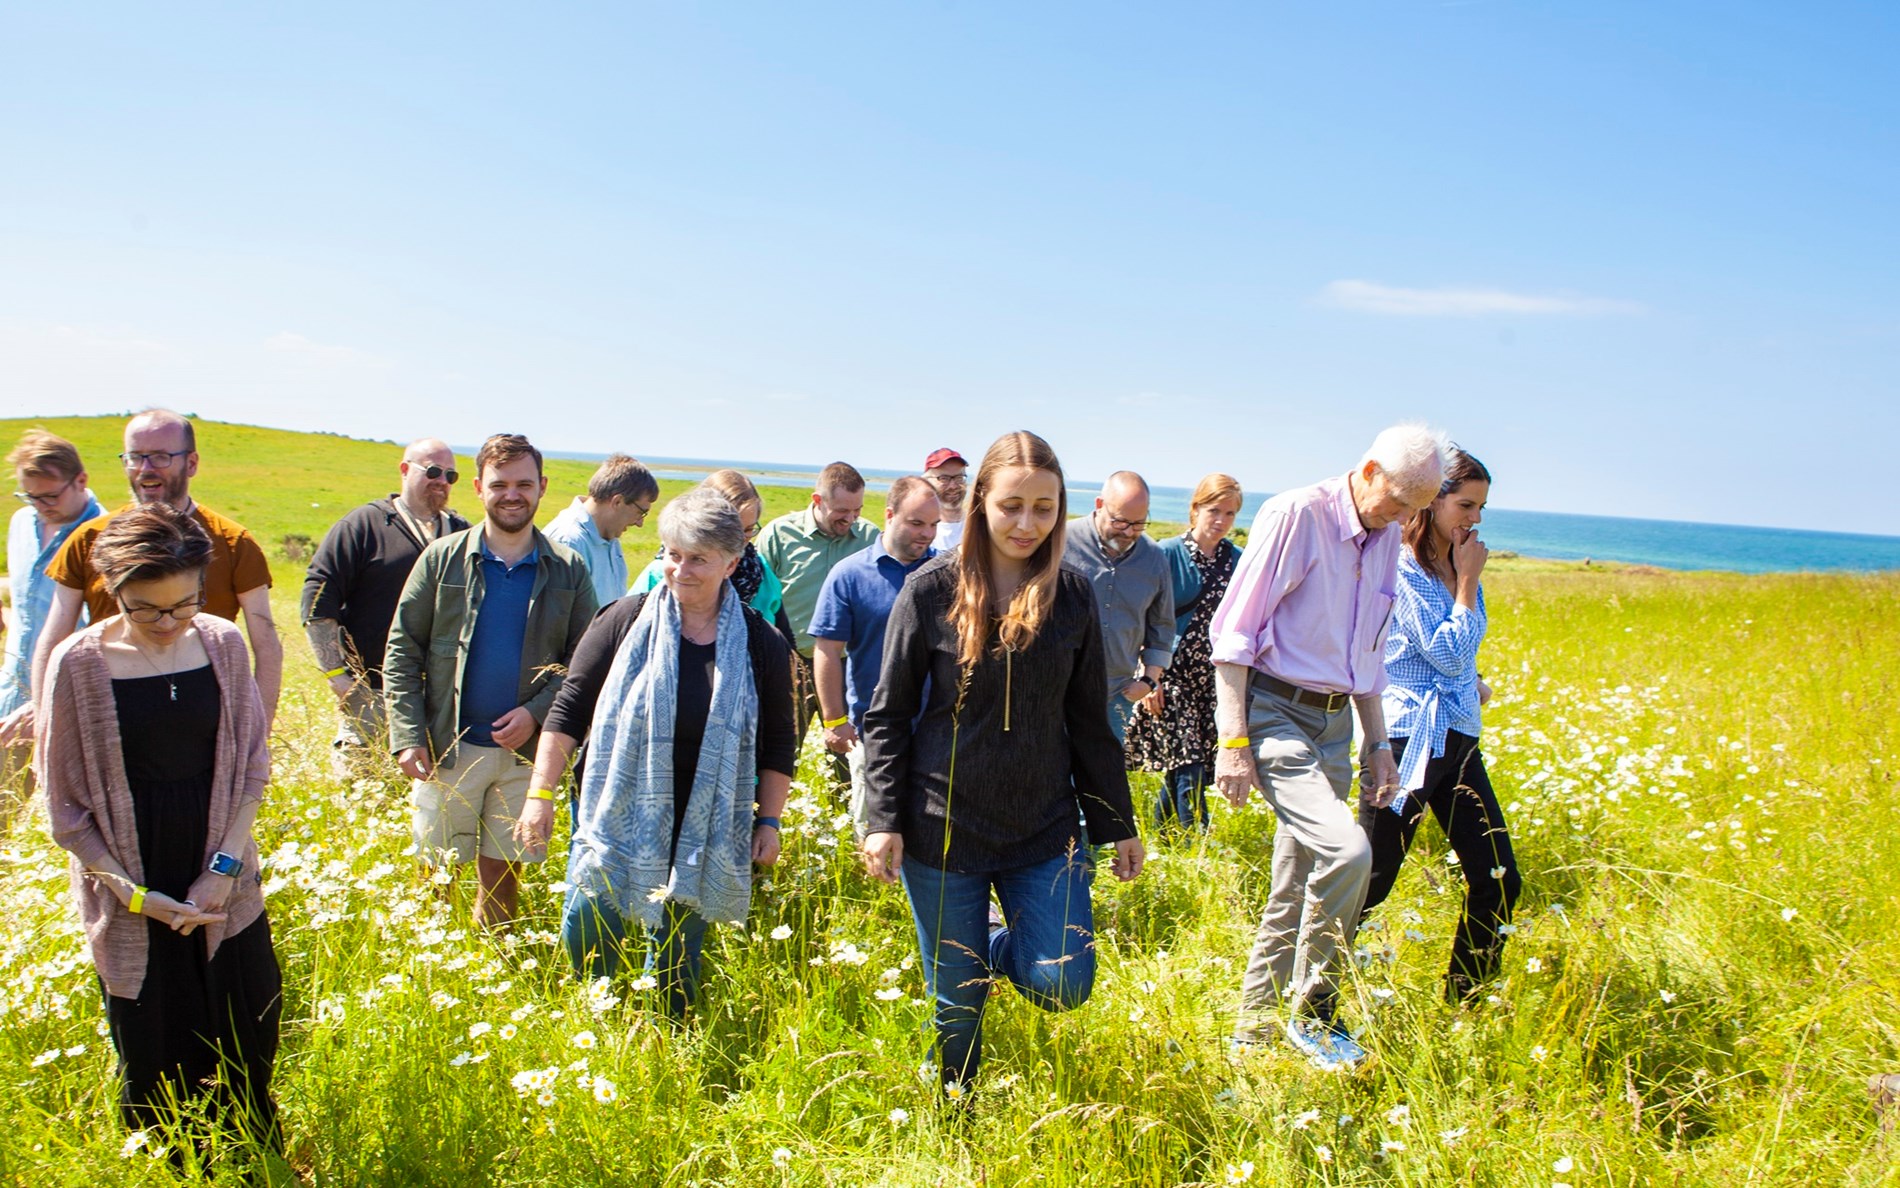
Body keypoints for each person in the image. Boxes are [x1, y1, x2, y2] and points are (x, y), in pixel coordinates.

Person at [861, 431, 1146, 1094]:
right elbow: (888, 714)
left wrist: (1116, 822)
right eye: (1011, 505)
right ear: (981, 501)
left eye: (1044, 508)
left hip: (1044, 828)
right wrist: (883, 819)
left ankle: (990, 944)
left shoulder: (1073, 595)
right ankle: (952, 1117)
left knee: (1062, 981)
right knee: (956, 1007)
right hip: (942, 828)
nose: (1026, 524)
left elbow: (1090, 721)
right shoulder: (929, 590)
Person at [38, 503, 282, 1159]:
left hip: (221, 878)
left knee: (248, 1030)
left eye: (185, 604)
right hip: (131, 889)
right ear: (112, 590)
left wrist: (223, 872)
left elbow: (252, 767)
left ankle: (255, 1165)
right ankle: (176, 1169)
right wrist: (133, 896)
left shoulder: (222, 643)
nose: (171, 623)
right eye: (147, 609)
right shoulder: (77, 664)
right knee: (155, 1051)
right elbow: (65, 810)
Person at [1210, 424, 1445, 1070]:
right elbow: (1233, 637)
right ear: (1369, 471)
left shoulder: (1387, 534)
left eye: (1416, 509)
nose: (1403, 518)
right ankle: (1314, 1010)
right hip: (1275, 714)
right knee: (1348, 852)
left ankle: (1252, 1035)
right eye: (1398, 502)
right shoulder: (1296, 515)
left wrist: (1379, 745)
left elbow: (1368, 655)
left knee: (1293, 885)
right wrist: (1233, 742)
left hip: (1337, 727)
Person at [526, 489, 794, 1019]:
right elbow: (569, 710)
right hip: (613, 811)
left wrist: (769, 821)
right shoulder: (622, 620)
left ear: (731, 563)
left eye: (698, 559)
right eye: (673, 554)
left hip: (705, 818)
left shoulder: (761, 642)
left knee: (678, 946)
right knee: (590, 922)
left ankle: (666, 1029)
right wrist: (540, 794)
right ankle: (587, 1018)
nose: (680, 570)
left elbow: (779, 743)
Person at [383, 434, 597, 928]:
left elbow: (583, 663)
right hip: (447, 748)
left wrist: (536, 713)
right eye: (500, 484)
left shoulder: (568, 569)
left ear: (542, 487)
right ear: (479, 488)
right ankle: (434, 959)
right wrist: (409, 735)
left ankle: (494, 954)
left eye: (524, 484)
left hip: (525, 756)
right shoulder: (440, 558)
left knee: (503, 880)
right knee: (435, 877)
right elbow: (402, 649)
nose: (512, 495)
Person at [1359, 448, 1519, 1003]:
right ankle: (1311, 995)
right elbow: (1447, 652)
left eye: (1481, 508)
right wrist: (1468, 583)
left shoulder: (1458, 563)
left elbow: (1458, 656)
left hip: (1459, 737)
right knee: (1372, 881)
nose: (1474, 519)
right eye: (1465, 505)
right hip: (1406, 740)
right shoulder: (1403, 567)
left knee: (1498, 876)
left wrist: (1474, 680)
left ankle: (1465, 1003)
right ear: (1432, 502)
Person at [32, 410, 281, 726]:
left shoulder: (234, 543)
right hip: (104, 713)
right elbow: (54, 639)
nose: (145, 469)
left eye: (161, 457)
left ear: (191, 463)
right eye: (135, 457)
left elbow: (266, 645)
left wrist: (258, 730)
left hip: (206, 717)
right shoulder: (89, 539)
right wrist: (44, 720)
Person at [300, 439, 471, 773]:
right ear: (404, 470)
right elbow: (317, 601)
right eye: (433, 471)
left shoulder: (461, 534)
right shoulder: (364, 526)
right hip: (372, 695)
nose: (442, 481)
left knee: (432, 793)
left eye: (450, 475)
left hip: (440, 702)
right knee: (364, 788)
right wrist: (338, 677)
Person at [809, 476, 940, 832]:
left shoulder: (947, 573)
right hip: (873, 731)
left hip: (939, 731)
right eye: (917, 523)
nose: (927, 534)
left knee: (933, 832)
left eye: (934, 525)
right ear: (890, 515)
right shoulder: (849, 575)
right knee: (874, 830)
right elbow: (827, 649)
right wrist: (834, 720)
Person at [1125, 473, 1244, 832]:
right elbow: (1140, 617)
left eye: (1230, 513)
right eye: (1214, 510)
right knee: (1188, 765)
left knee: (1192, 765)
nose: (1221, 520)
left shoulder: (1238, 561)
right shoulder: (1164, 554)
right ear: (1195, 509)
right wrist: (1148, 678)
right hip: (1170, 675)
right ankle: (1197, 842)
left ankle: (1163, 838)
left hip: (1211, 680)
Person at [2, 431, 104, 795]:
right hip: (10, 690)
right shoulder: (21, 523)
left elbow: (100, 634)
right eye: (31, 496)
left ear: (81, 480)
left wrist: (44, 703)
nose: (41, 505)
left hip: (68, 703)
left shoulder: (105, 535)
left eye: (50, 496)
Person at [757, 462, 877, 747]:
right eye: (842, 511)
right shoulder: (778, 535)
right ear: (818, 500)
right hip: (788, 662)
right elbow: (756, 599)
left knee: (849, 755)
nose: (850, 519)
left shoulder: (871, 538)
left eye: (857, 510)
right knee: (780, 750)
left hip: (847, 665)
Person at [1062, 470, 1175, 743]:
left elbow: (1162, 626)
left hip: (1116, 697)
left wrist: (1148, 681)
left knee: (1105, 769)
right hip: (1058, 694)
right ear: (1100, 505)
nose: (1128, 532)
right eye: (1121, 521)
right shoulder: (1060, 541)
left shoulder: (1154, 558)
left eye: (1138, 524)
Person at [629, 469, 796, 645]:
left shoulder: (760, 572)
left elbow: (785, 641)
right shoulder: (664, 573)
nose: (741, 540)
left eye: (748, 530)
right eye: (733, 531)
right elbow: (627, 632)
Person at [543, 453, 658, 610]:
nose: (640, 523)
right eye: (640, 512)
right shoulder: (568, 541)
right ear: (617, 502)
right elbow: (556, 617)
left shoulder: (610, 537)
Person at [921, 448, 968, 551]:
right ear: (927, 483)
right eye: (944, 479)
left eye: (959, 478)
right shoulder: (920, 531)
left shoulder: (980, 524)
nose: (953, 486)